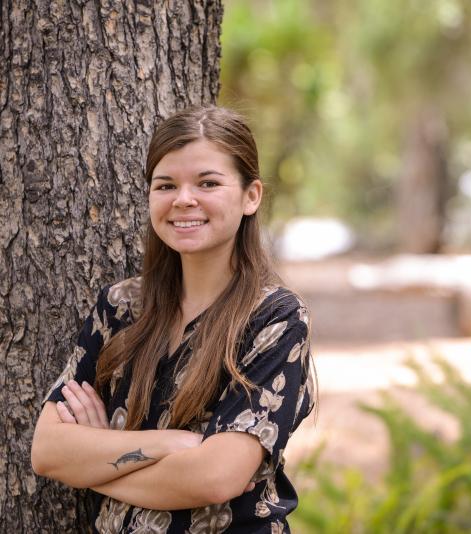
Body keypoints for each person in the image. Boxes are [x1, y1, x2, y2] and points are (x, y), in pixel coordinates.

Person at [31, 105, 316, 533]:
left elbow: (216, 477)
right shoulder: (120, 307)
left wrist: (96, 461)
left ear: (250, 195)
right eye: (166, 185)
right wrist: (167, 445)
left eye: (208, 183)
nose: (184, 199)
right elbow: (48, 452)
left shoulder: (274, 318)